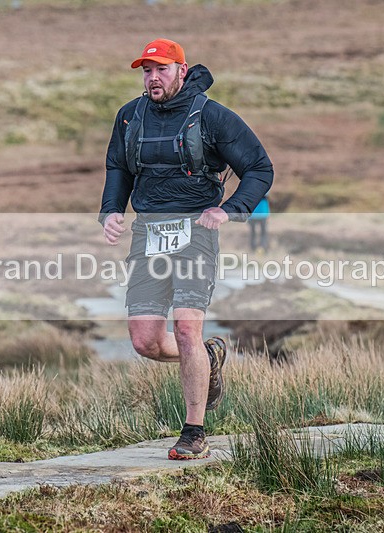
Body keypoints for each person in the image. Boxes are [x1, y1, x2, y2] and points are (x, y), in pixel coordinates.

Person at [99, 38, 274, 460]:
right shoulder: (129, 117)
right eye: (146, 70)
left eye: (160, 69)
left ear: (182, 70)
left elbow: (259, 168)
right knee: (145, 341)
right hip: (148, 234)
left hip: (195, 232)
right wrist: (110, 211)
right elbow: (118, 168)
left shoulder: (212, 117)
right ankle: (210, 357)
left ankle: (193, 432)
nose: (152, 77)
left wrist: (230, 210)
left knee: (185, 328)